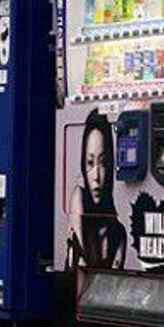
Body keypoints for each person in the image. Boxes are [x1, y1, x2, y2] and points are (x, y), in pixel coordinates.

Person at [65, 110, 126, 269]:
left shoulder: (118, 233)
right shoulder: (78, 198)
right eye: (90, 163)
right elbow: (77, 265)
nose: (96, 176)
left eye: (104, 163)